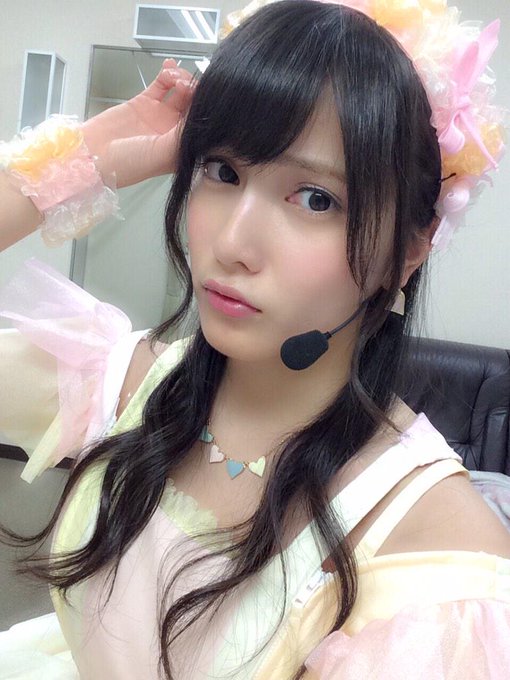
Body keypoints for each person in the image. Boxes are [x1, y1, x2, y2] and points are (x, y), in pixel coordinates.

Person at [0, 1, 509, 678]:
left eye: (316, 199)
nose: (233, 243)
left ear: (408, 252)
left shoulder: (434, 551)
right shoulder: (121, 378)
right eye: (222, 171)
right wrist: (88, 158)